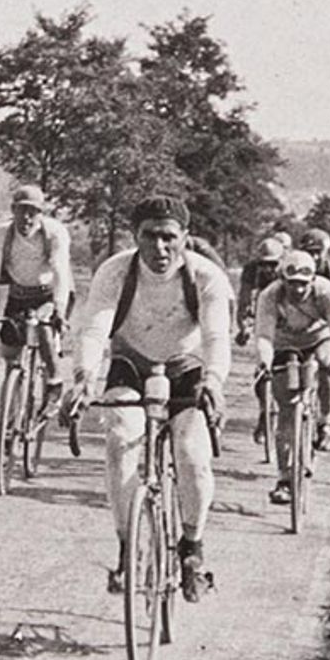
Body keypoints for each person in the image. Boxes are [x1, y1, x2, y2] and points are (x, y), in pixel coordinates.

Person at [68, 194, 234, 601]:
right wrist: (84, 376)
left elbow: (216, 336)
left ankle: (192, 547)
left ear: (185, 237)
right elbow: (94, 329)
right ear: (134, 237)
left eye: (169, 237)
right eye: (149, 237)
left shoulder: (206, 276)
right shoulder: (115, 271)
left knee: (192, 451)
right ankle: (128, 545)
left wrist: (213, 381)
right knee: (120, 439)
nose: (160, 248)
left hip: (186, 366)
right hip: (131, 362)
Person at [253, 247, 330, 502]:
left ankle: (326, 422)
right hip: (283, 343)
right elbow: (264, 335)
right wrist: (264, 362)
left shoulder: (327, 292)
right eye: (292, 284)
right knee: (286, 409)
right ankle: (285, 478)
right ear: (282, 280)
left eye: (303, 284)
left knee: (326, 364)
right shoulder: (270, 295)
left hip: (319, 338)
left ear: (312, 280)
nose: (298, 290)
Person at [0, 183, 75, 414]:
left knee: (42, 328)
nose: (27, 218)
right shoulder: (1, 235)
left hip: (51, 294)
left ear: (42, 214)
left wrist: (60, 310)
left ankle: (54, 382)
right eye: (22, 210)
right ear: (13, 210)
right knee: (11, 358)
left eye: (33, 212)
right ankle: (9, 427)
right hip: (18, 295)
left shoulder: (54, 233)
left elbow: (61, 272)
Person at [236, 236, 286, 348]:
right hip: (263, 297)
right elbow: (244, 301)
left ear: (282, 260)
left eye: (273, 264)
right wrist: (244, 327)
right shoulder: (251, 269)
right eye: (263, 264)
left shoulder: (288, 268)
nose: (268, 269)